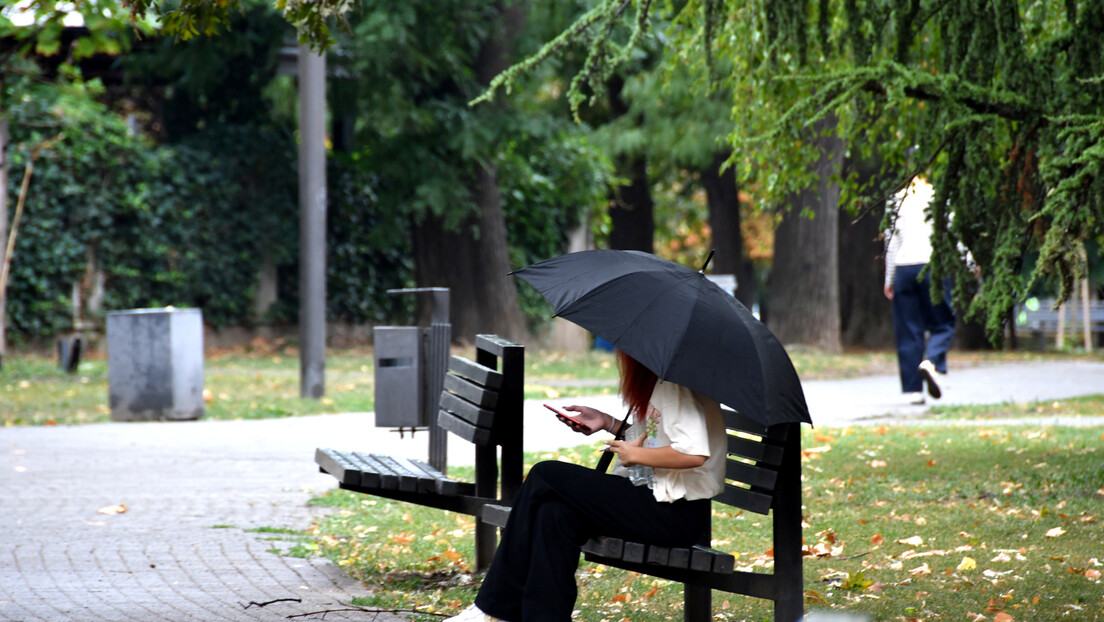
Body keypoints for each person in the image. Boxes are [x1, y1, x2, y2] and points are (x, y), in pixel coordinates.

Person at [445, 349, 727, 622]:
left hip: (673, 514)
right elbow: (655, 438)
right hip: (656, 501)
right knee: (554, 514)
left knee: (544, 474)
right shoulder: (664, 382)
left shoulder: (675, 387)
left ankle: (494, 608)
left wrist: (636, 455)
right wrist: (608, 422)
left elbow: (694, 454)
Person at [883, 175, 957, 404]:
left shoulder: (896, 199)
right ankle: (931, 362)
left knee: (908, 329)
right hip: (932, 266)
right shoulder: (939, 197)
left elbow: (891, 242)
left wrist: (889, 278)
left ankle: (912, 391)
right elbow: (952, 233)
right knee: (943, 322)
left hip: (904, 268)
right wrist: (971, 262)